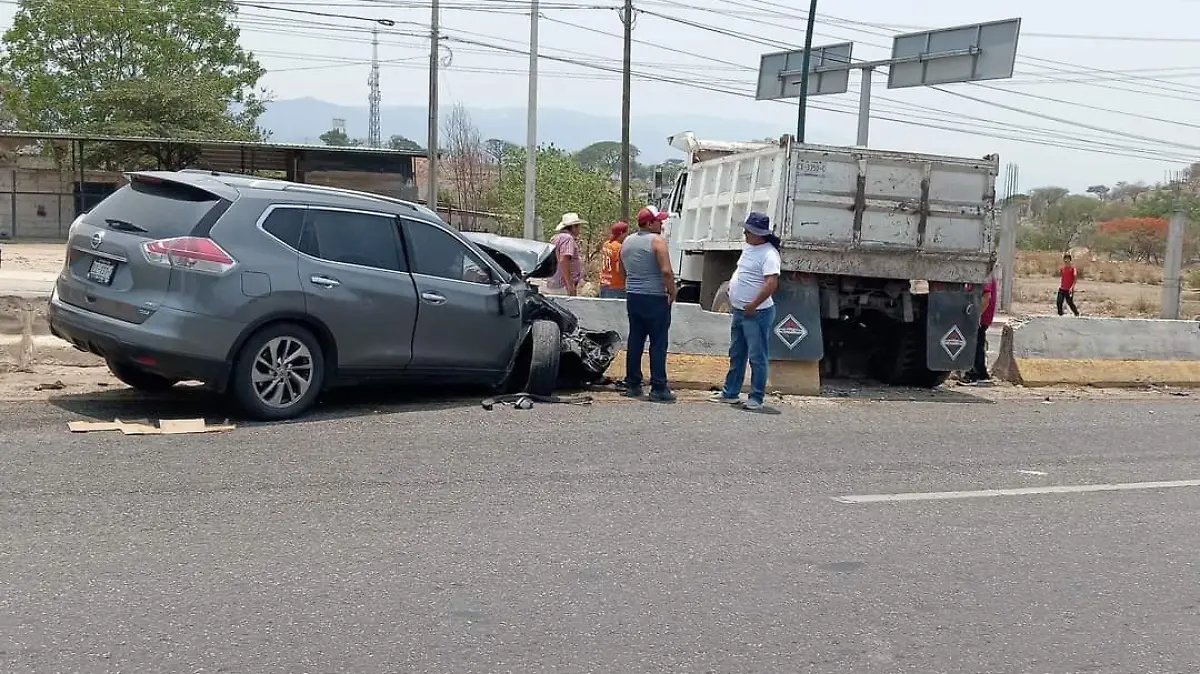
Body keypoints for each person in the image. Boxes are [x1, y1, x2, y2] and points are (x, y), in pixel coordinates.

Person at [709, 212, 782, 412]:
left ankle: (756, 397)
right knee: (737, 353)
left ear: (757, 233)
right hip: (741, 311)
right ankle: (730, 392)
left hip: (756, 313)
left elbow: (771, 283)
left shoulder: (769, 254)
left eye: (748, 231)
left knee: (757, 356)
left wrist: (753, 304)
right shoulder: (750, 248)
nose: (745, 233)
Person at [620, 205, 677, 403]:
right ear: (650, 223)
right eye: (659, 221)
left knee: (635, 340)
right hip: (654, 297)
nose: (661, 224)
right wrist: (672, 290)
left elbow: (623, 270)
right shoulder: (657, 241)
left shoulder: (626, 242)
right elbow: (666, 271)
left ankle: (633, 384)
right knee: (658, 342)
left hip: (633, 296)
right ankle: (659, 387)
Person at [963, 271, 997, 384]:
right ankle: (972, 372)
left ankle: (979, 374)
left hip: (980, 318)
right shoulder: (980, 274)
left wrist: (977, 316)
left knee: (977, 344)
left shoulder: (983, 274)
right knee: (975, 344)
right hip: (979, 316)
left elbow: (986, 297)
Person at [543, 213, 586, 296]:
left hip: (555, 282)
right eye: (578, 226)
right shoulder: (568, 238)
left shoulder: (556, 238)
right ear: (573, 227)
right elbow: (564, 260)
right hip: (563, 285)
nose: (579, 229)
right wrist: (570, 284)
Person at [599, 220, 629, 299]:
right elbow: (619, 268)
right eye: (626, 233)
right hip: (616, 285)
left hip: (604, 282)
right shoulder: (619, 247)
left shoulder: (606, 244)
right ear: (621, 233)